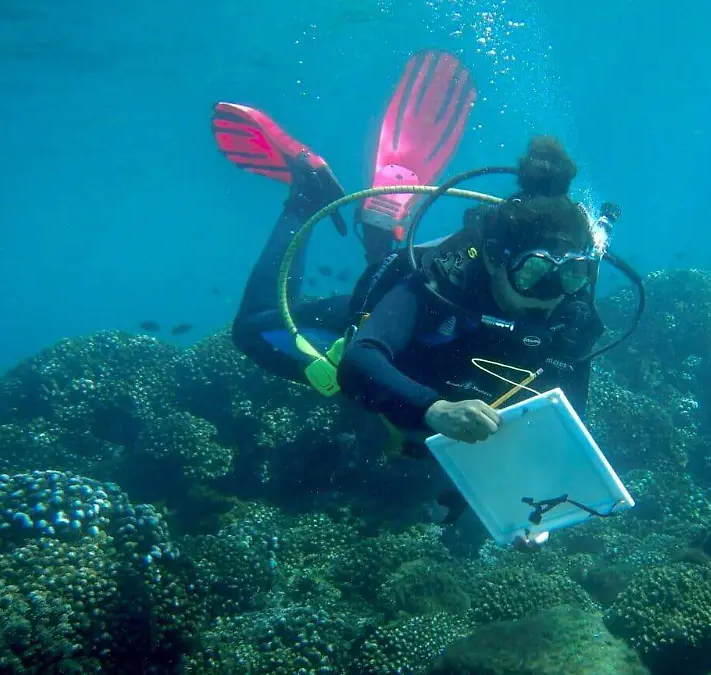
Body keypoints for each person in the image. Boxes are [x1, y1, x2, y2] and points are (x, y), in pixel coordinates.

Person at [212, 51, 642, 525]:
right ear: (496, 262)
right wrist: (434, 410)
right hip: (405, 335)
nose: (552, 294)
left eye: (572, 274)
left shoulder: (571, 303)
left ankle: (383, 225)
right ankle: (307, 196)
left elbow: (563, 414)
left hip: (442, 374)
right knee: (254, 331)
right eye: (534, 273)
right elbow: (361, 361)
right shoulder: (442, 281)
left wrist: (511, 498)